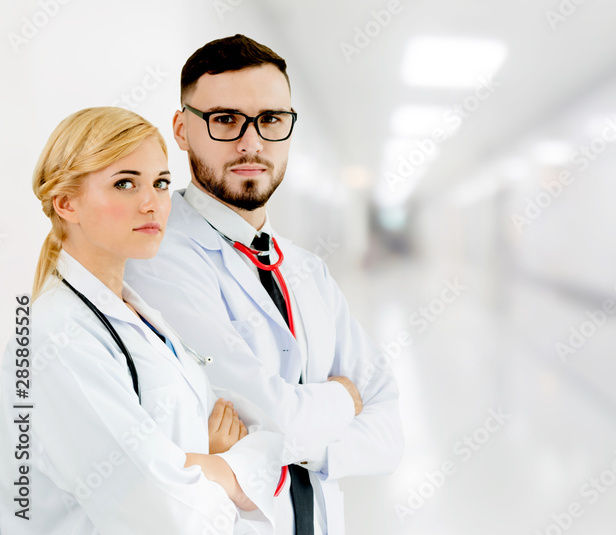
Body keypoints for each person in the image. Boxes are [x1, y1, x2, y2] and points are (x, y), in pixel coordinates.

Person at [125, 35, 403, 534]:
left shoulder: (305, 270)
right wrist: (343, 401)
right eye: (225, 120)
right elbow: (275, 416)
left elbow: (389, 434)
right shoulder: (157, 257)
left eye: (271, 120)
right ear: (182, 129)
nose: (251, 143)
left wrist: (291, 434)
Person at [0, 107, 284, 534]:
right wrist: (220, 468)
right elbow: (163, 513)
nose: (152, 203)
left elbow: (255, 434)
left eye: (161, 183)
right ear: (66, 203)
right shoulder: (57, 337)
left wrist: (190, 461)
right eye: (125, 183)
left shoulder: (140, 313)